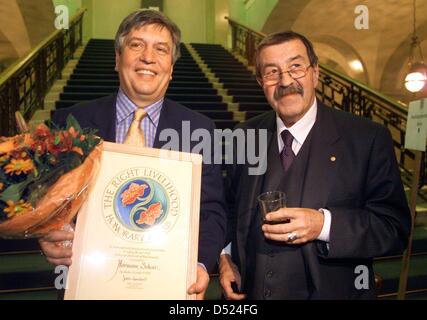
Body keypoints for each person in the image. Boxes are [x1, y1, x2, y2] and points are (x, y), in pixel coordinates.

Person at [38, 9, 227, 300]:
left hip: (169, 287)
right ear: (117, 58)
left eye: (161, 49)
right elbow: (48, 201)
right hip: (89, 284)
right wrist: (49, 233)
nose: (148, 58)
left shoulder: (199, 129)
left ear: (172, 67)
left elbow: (212, 211)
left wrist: (200, 264)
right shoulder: (70, 122)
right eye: (136, 45)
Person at [219, 31, 411, 299]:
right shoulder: (245, 136)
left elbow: (393, 228)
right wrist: (226, 256)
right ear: (261, 81)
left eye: (295, 67)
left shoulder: (367, 138)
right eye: (272, 72)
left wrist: (324, 225)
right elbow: (227, 207)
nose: (285, 81)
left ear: (315, 73)